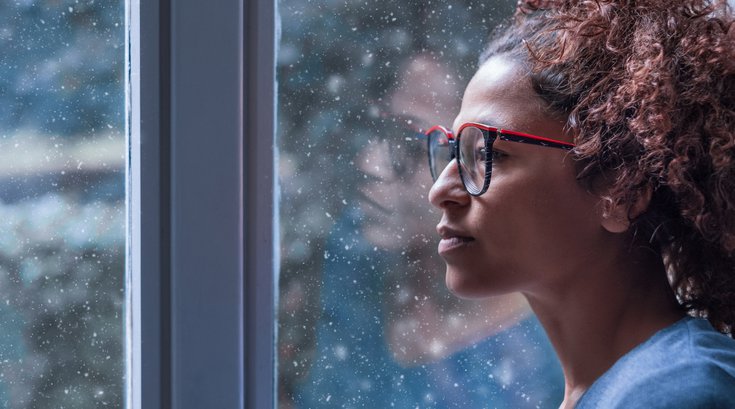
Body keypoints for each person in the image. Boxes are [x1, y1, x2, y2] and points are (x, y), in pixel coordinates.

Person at [426, 0, 735, 407]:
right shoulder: (628, 387)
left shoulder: (677, 392)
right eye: (452, 152)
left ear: (621, 189)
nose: (439, 192)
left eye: (487, 154)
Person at [292, 54, 564, 408]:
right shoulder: (353, 255)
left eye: (408, 147)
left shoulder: (543, 353)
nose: (369, 164)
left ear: (484, 159)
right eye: (377, 134)